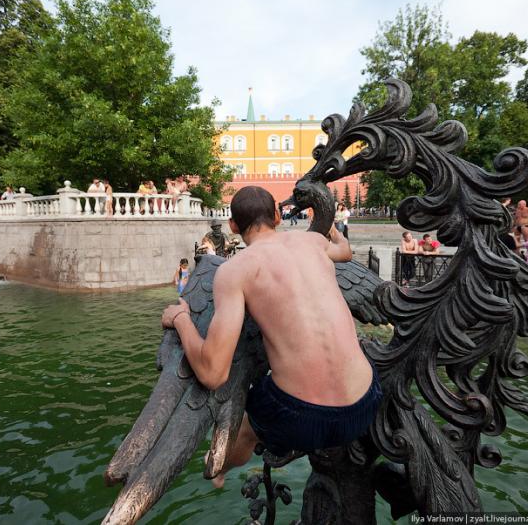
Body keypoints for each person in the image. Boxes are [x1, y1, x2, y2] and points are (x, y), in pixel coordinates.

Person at [160, 186, 380, 488]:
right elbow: (345, 251)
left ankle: (221, 468)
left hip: (303, 418)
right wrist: (329, 227)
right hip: (366, 402)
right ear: (277, 216)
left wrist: (181, 319)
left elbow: (212, 372)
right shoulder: (313, 241)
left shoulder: (235, 270)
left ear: (233, 226)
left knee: (248, 427)